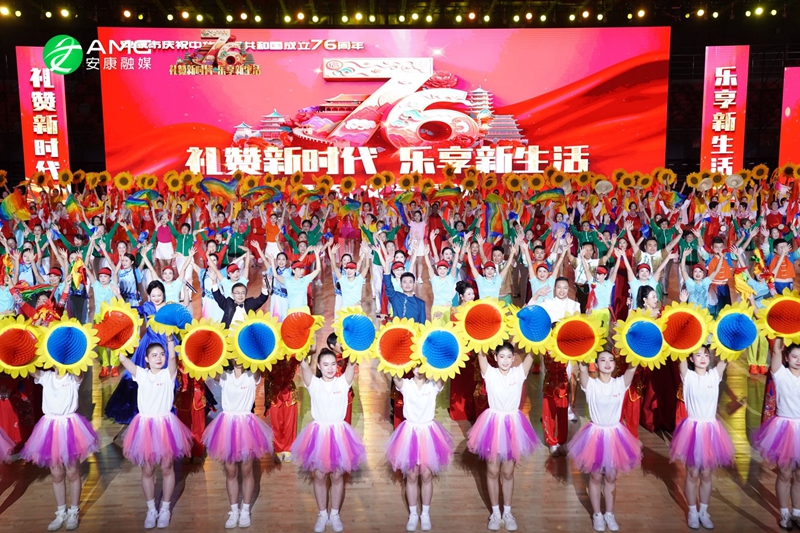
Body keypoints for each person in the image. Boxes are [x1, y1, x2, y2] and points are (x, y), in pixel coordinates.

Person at [120, 336, 192, 530]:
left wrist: (169, 341)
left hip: (165, 425)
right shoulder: (141, 374)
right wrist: (123, 340)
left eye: (161, 354)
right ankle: (151, 509)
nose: (159, 358)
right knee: (147, 469)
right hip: (145, 426)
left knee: (167, 467)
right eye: (154, 355)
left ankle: (165, 508)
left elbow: (172, 358)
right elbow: (123, 359)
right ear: (146, 359)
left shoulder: (168, 374)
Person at [291, 349, 366, 533]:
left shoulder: (343, 382)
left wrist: (353, 343)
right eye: (325, 364)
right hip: (319, 435)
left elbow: (352, 362)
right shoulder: (313, 383)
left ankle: (335, 514)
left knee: (337, 475)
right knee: (319, 475)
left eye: (333, 364)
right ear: (318, 366)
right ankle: (322, 514)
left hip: (339, 434)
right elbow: (303, 363)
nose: (330, 368)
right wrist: (302, 345)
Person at [467, 342, 539, 531]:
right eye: (501, 356)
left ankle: (507, 512)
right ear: (495, 357)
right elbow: (480, 351)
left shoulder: (519, 373)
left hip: (512, 426)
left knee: (508, 472)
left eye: (509, 357)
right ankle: (495, 513)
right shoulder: (489, 373)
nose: (505, 360)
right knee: (492, 471)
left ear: (513, 358)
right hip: (493, 425)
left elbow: (533, 352)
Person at [568, 353, 640, 532]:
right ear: (596, 364)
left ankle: (609, 513)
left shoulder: (620, 383)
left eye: (611, 360)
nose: (607, 363)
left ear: (615, 364)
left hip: (615, 435)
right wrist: (582, 355)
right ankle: (597, 514)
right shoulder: (591, 384)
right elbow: (582, 369)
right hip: (596, 435)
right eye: (603, 360)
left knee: (611, 476)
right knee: (595, 476)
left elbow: (633, 366)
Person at [20, 369, 99, 532]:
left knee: (72, 472)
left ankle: (74, 511)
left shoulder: (73, 377)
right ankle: (60, 512)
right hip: (50, 428)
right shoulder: (46, 377)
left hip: (70, 427)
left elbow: (79, 372)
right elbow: (28, 368)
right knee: (56, 474)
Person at [670, 346, 734, 529]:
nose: (703, 358)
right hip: (692, 429)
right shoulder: (688, 376)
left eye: (706, 354)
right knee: (692, 473)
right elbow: (679, 354)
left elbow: (727, 355)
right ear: (691, 358)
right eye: (698, 355)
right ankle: (692, 511)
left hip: (711, 429)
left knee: (706, 473)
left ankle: (704, 511)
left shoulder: (714, 375)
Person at [204, 363, 273, 529]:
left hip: (246, 426)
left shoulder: (251, 376)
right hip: (227, 427)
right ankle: (234, 510)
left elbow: (258, 365)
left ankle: (245, 510)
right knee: (230, 471)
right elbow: (209, 368)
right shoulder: (224, 376)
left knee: (247, 470)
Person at [387, 366, 453, 532]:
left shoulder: (433, 385)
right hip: (409, 433)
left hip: (428, 434)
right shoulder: (406, 384)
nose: (419, 369)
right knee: (411, 475)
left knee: (426, 475)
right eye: (416, 364)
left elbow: (443, 374)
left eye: (422, 364)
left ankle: (425, 513)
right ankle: (413, 514)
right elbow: (394, 375)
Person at [753, 338, 800, 530]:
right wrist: (780, 332)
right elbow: (776, 350)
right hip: (783, 429)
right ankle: (784, 513)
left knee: (799, 475)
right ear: (786, 357)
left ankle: (797, 512)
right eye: (794, 356)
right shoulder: (780, 374)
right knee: (785, 473)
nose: (798, 360)